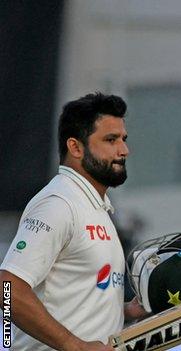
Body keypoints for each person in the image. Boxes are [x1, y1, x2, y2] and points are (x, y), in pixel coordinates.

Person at [0, 93, 148, 351]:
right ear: (76, 147)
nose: (124, 150)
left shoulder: (94, 205)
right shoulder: (59, 203)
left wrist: (123, 310)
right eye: (110, 140)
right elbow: (7, 288)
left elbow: (71, 298)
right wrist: (74, 346)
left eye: (123, 139)